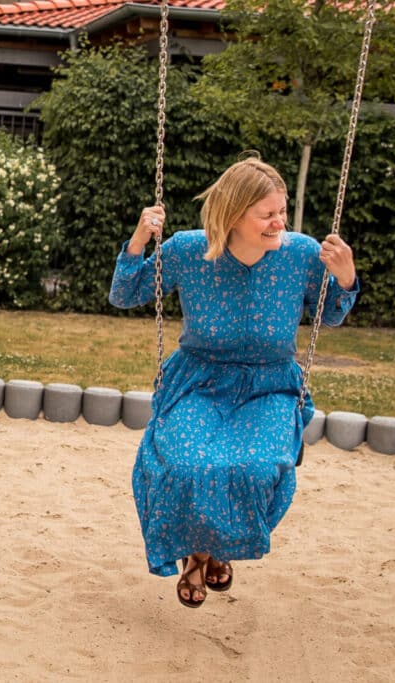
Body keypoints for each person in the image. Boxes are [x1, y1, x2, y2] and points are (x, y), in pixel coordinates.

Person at [109, 156, 358, 608]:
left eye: (282, 210)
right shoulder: (187, 250)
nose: (278, 222)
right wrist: (138, 241)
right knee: (183, 464)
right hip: (198, 381)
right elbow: (125, 294)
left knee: (256, 468)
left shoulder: (300, 254)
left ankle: (216, 550)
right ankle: (198, 555)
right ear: (232, 214)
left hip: (271, 387)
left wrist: (344, 277)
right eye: (267, 214)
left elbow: (333, 312)